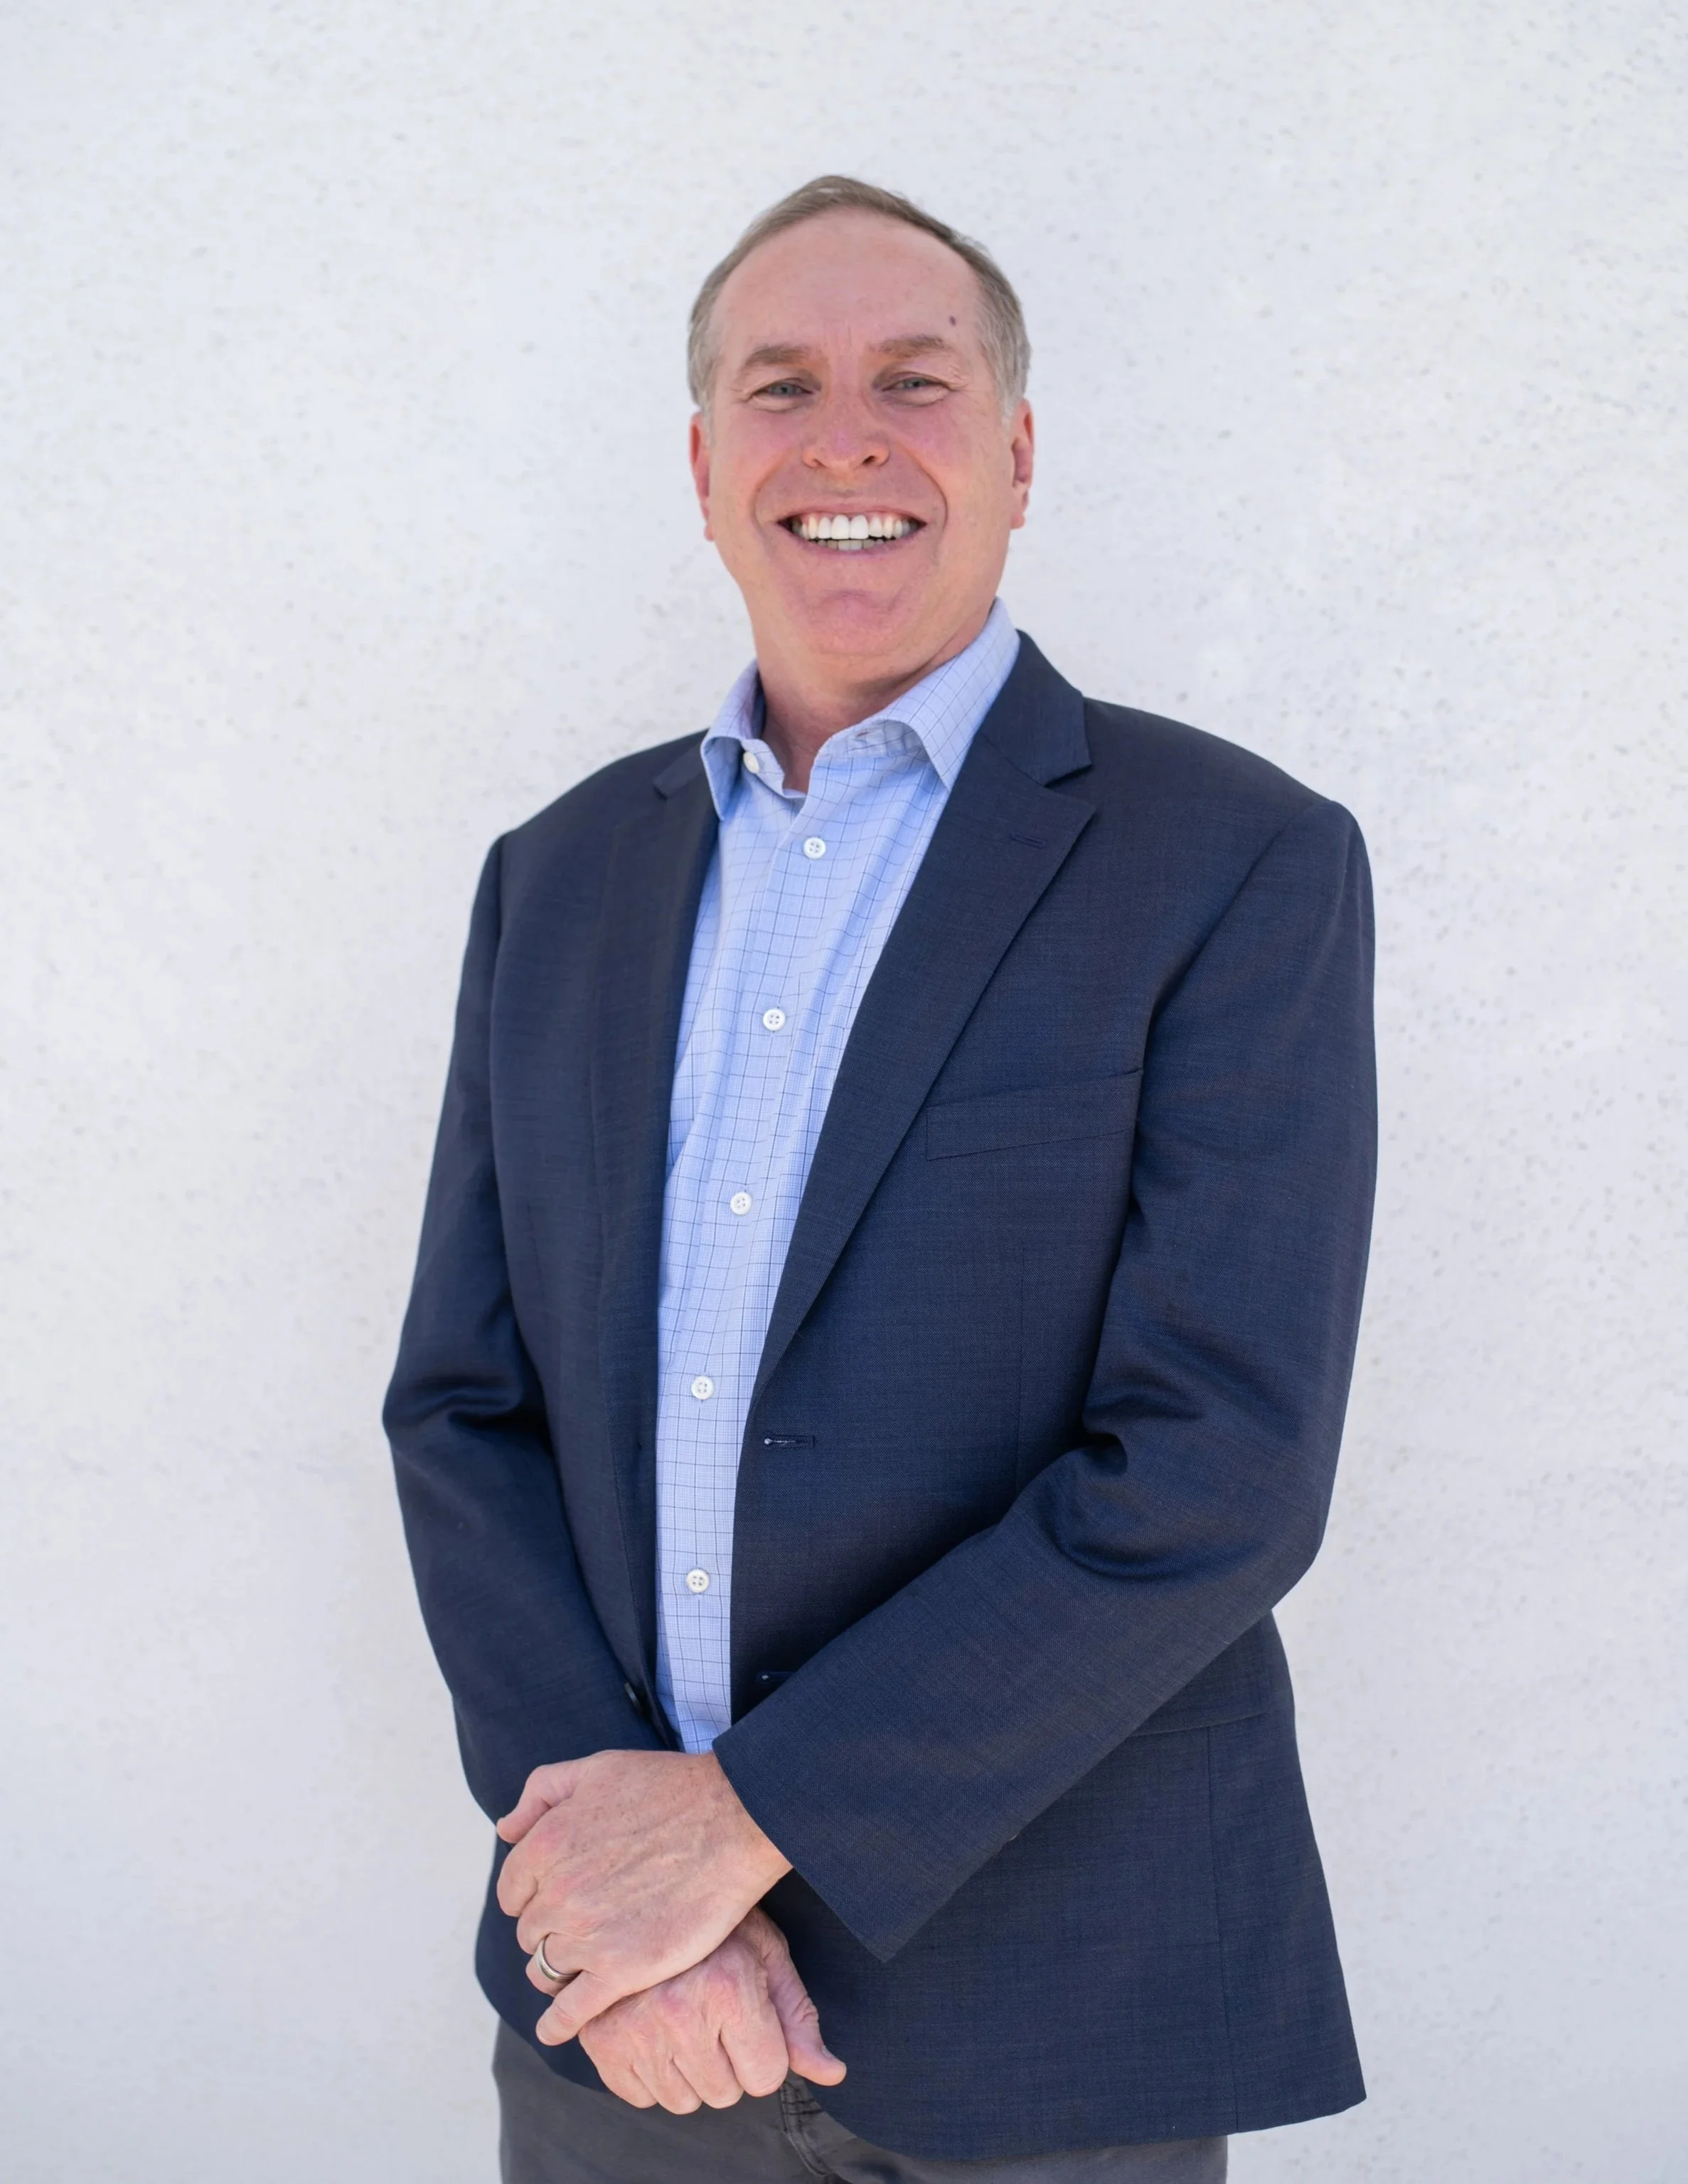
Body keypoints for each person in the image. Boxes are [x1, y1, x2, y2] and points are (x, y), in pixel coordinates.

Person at [385, 174, 1377, 2184]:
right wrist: (617, 1891)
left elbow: (1215, 1463)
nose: (845, 437)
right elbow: (464, 1413)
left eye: (912, 383)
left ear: (1012, 457)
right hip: (618, 2037)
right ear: (701, 463)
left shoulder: (1231, 860)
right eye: (781, 386)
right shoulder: (554, 879)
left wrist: (731, 1829)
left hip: (1052, 2024)